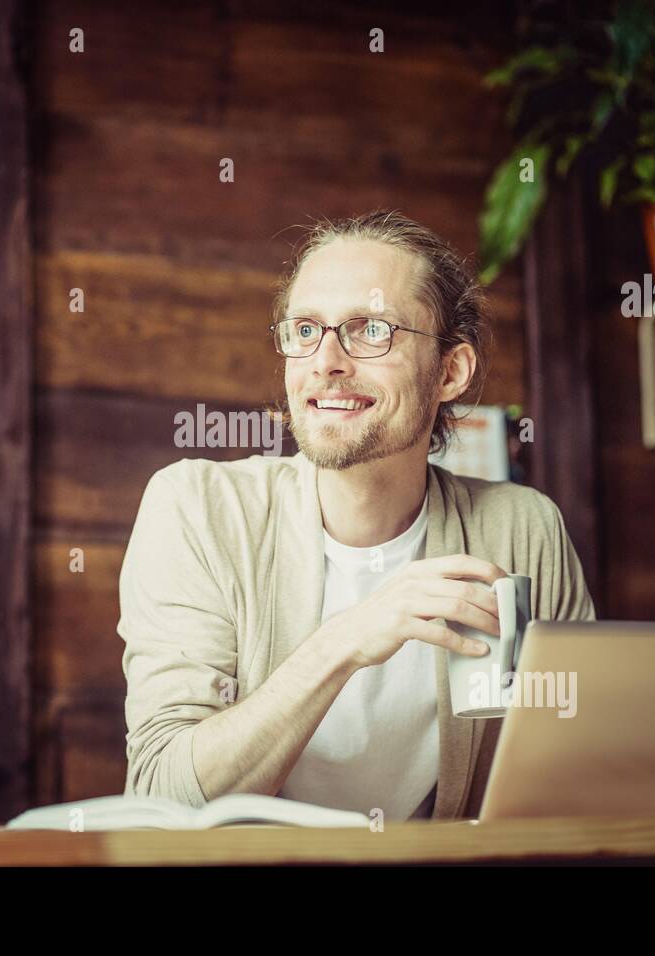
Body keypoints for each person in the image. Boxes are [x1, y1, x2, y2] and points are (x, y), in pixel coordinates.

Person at [118, 209, 595, 821]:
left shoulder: (521, 529)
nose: (326, 362)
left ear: (450, 371)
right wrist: (347, 639)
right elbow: (163, 796)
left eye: (371, 331)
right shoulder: (197, 508)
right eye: (306, 330)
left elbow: (568, 784)